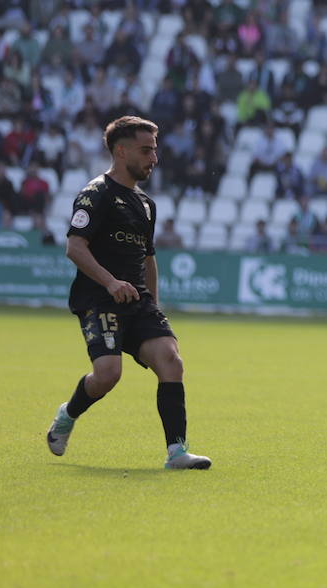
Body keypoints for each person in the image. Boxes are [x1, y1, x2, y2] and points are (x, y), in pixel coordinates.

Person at [45, 116, 210, 470]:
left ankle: (177, 452)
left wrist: (153, 304)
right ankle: (67, 414)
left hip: (137, 301)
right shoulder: (96, 194)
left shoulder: (146, 204)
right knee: (107, 375)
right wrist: (110, 282)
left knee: (171, 360)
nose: (154, 158)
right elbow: (75, 247)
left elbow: (148, 259)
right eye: (146, 150)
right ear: (121, 151)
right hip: (99, 297)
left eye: (155, 149)